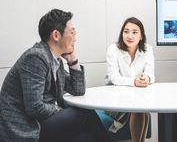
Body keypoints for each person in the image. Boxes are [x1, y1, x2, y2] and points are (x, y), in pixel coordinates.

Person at [0, 9, 108, 142]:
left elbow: (77, 90)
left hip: (41, 122)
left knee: (86, 138)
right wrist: (60, 110)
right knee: (85, 114)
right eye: (72, 32)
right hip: (26, 128)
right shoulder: (36, 57)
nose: (75, 38)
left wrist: (73, 62)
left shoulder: (55, 59)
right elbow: (35, 108)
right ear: (56, 35)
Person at [101, 17, 154, 142]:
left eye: (135, 32)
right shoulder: (113, 49)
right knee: (139, 109)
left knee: (141, 109)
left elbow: (151, 74)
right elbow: (114, 78)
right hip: (114, 100)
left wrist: (146, 78)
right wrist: (134, 81)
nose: (129, 36)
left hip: (136, 98)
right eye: (126, 31)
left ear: (141, 36)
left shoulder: (147, 49)